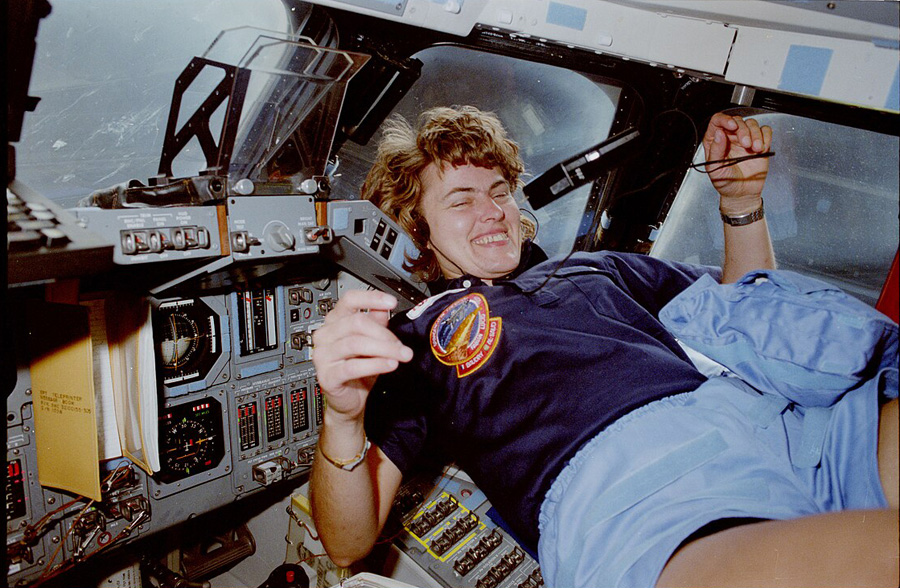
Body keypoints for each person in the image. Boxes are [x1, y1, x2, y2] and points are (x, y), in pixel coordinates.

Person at [309, 106, 899, 587]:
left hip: (771, 426)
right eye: (461, 200)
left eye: (500, 191)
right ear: (416, 229)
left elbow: (744, 312)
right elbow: (347, 542)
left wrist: (740, 205)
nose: (492, 212)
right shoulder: (415, 337)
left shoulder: (594, 268)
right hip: (632, 493)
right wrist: (343, 416)